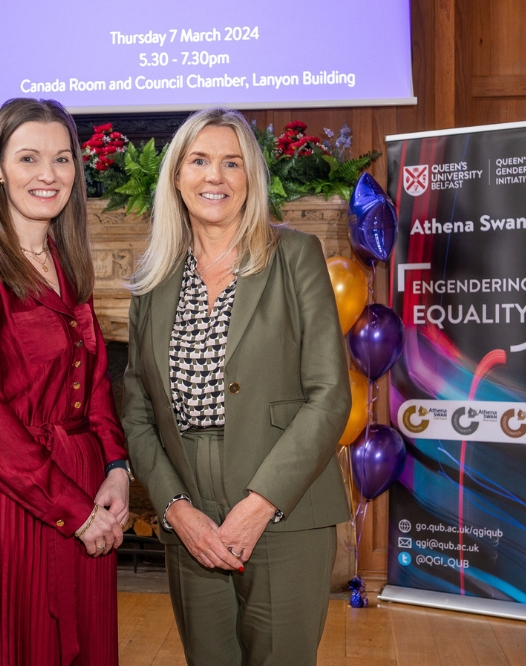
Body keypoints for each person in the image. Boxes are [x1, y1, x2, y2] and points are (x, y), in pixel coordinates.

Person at [122, 108, 352, 665]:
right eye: (199, 161)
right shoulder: (153, 278)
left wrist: (260, 504)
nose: (215, 177)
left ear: (251, 176)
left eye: (232, 163)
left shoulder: (295, 256)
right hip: (189, 514)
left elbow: (330, 394)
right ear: (177, 176)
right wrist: (175, 508)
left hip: (284, 504)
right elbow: (137, 410)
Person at [0, 98, 131, 666]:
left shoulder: (69, 263)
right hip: (14, 498)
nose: (49, 174)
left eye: (62, 159)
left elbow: (95, 382)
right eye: (28, 158)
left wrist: (117, 469)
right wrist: (74, 511)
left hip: (87, 487)